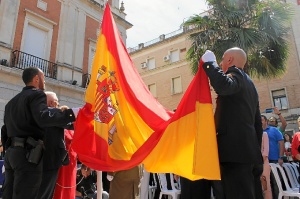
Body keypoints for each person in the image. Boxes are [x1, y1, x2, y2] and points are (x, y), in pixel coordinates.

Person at [2, 67, 78, 199]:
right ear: (36, 79)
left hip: (11, 155)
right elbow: (43, 117)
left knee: (9, 194)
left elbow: (4, 130)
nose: (44, 82)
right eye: (43, 78)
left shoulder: (11, 103)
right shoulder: (37, 94)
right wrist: (71, 114)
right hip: (28, 156)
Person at [201, 48, 263, 199]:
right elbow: (257, 124)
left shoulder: (236, 74)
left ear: (229, 60)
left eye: (222, 59)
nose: (221, 63)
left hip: (234, 153)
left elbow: (224, 86)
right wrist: (255, 152)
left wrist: (210, 63)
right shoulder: (250, 85)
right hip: (247, 153)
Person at [37, 92, 72, 199]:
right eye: (57, 102)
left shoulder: (36, 113)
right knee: (45, 194)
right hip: (50, 161)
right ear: (53, 103)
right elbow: (72, 123)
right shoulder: (53, 113)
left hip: (33, 160)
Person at [261, 115, 284, 199]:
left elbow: (281, 143)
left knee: (276, 182)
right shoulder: (258, 132)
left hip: (274, 160)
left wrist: (281, 157)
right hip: (263, 161)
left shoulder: (274, 130)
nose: (260, 122)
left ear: (266, 121)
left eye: (262, 120)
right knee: (266, 183)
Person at [261, 132, 272, 199]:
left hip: (263, 163)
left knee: (266, 186)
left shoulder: (264, 134)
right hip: (253, 164)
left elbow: (265, 152)